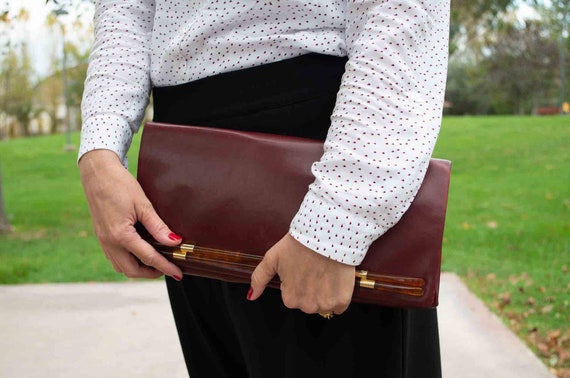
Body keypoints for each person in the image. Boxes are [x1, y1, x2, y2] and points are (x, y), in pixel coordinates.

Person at [78, 1, 451, 377]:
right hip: (187, 162)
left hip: (322, 153)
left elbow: (403, 11)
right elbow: (125, 11)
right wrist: (100, 154)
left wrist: (340, 216)